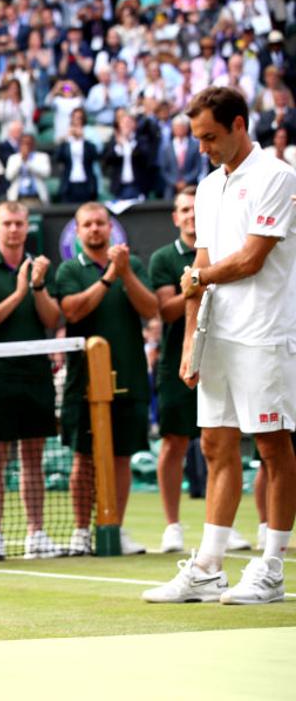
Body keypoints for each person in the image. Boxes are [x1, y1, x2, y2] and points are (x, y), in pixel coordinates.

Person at [145, 87, 296, 605]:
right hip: (220, 335)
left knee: (273, 447)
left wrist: (197, 279)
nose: (202, 147)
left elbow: (250, 260)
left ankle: (272, 567)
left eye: (210, 136)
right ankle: (208, 566)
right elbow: (200, 271)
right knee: (214, 445)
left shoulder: (278, 176)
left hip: (266, 333)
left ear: (237, 125)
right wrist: (191, 341)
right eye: (196, 138)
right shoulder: (208, 188)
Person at [148, 189, 252, 555]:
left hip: (226, 356)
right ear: (175, 217)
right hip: (180, 361)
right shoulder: (163, 258)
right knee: (174, 443)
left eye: (194, 209)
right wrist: (198, 280)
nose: (190, 216)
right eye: (183, 211)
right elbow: (166, 311)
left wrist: (201, 275)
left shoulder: (228, 249)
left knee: (225, 442)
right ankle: (173, 527)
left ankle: (226, 524)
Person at [56, 202, 157, 556]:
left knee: (121, 457)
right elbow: (72, 309)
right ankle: (82, 532)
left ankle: (114, 526)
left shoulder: (134, 266)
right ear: (78, 231)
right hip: (83, 381)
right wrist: (109, 277)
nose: (95, 229)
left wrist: (125, 273)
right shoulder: (69, 269)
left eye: (101, 223)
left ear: (110, 229)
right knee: (83, 459)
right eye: (88, 224)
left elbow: (151, 309)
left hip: (128, 376)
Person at [0, 201, 64, 561]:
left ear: (27, 228)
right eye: (7, 223)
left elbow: (53, 319)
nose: (13, 229)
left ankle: (35, 533)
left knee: (32, 458)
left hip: (35, 373)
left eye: (19, 223)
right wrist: (17, 291)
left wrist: (37, 286)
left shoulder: (42, 267)